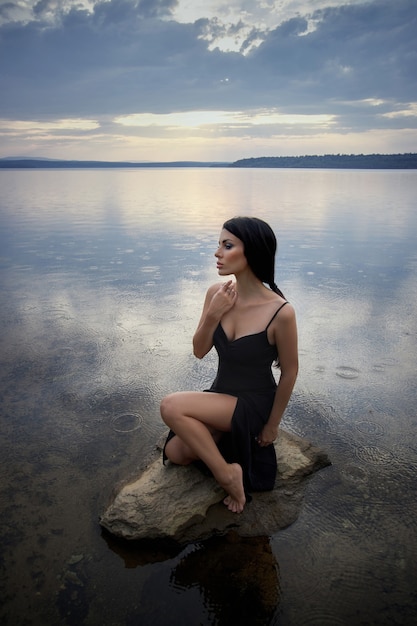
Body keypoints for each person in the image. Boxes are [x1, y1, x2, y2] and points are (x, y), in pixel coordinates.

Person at [160, 216, 298, 514]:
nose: (217, 253)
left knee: (171, 406)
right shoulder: (217, 294)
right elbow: (199, 351)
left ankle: (228, 475)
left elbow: (290, 372)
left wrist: (272, 425)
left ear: (252, 252)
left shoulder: (281, 312)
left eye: (227, 245)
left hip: (253, 403)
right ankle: (225, 448)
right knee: (176, 452)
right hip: (221, 394)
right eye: (218, 244)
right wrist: (213, 314)